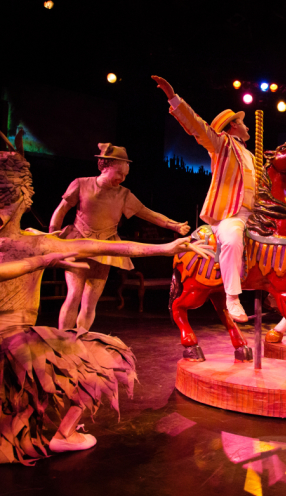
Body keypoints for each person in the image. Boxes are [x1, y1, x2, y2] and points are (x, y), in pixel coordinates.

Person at [0, 137, 198, 463]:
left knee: (88, 304)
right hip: (23, 334)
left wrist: (168, 239)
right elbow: (63, 218)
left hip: (84, 252)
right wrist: (48, 249)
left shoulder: (119, 198)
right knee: (94, 334)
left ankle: (69, 352)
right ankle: (62, 405)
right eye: (119, 172)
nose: (122, 177)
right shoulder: (44, 236)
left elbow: (116, 243)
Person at [50, 143, 190, 330]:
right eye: (119, 174)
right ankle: (63, 340)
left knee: (91, 301)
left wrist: (174, 225)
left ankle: (81, 338)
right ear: (106, 167)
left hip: (106, 249)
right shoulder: (81, 184)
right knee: (74, 294)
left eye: (125, 176)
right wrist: (52, 237)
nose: (122, 179)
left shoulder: (124, 195)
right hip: (79, 244)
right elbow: (61, 210)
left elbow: (148, 213)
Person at [152, 75, 255, 323]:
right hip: (231, 213)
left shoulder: (249, 155)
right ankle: (232, 297)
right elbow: (197, 126)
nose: (248, 127)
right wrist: (173, 98)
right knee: (231, 239)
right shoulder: (221, 144)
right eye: (243, 123)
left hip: (255, 214)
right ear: (233, 127)